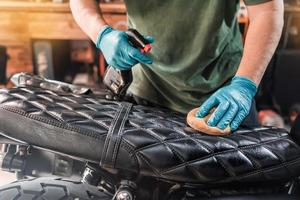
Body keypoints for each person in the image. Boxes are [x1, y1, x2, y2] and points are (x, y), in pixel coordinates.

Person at [70, 0, 284, 131]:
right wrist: (102, 34)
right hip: (145, 91)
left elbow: (267, 11)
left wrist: (244, 85)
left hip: (224, 96)